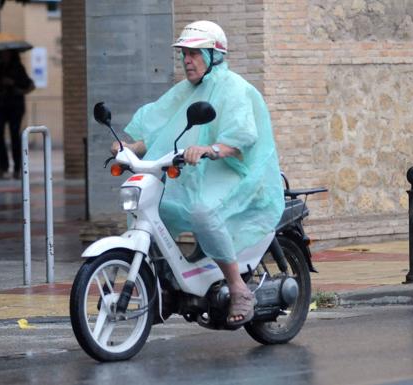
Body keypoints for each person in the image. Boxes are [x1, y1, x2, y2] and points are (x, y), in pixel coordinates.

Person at [111, 20, 284, 326]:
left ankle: (238, 287)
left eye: (194, 53)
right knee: (157, 206)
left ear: (214, 55)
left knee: (204, 211)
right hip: (195, 174)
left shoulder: (235, 88)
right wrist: (129, 147)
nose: (187, 60)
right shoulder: (185, 92)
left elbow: (243, 136)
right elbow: (158, 129)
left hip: (233, 172)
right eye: (184, 54)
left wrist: (211, 149)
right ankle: (162, 282)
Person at [0, 50, 35, 179]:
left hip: (15, 106)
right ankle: (3, 166)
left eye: (6, 53)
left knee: (15, 136)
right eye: (2, 53)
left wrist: (12, 83)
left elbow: (28, 84)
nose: (4, 55)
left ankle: (17, 168)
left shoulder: (18, 68)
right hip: (1, 105)